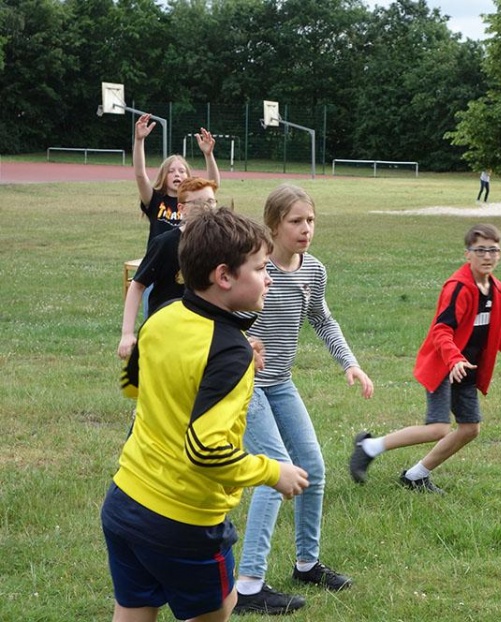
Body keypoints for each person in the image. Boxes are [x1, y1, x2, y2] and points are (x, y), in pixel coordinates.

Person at [101, 207, 310, 622]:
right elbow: (205, 450)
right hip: (183, 523)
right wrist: (274, 472)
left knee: (133, 610)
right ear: (224, 276)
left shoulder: (162, 317)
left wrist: (210, 367)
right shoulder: (230, 351)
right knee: (221, 606)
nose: (269, 277)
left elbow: (131, 385)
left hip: (124, 502)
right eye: (260, 268)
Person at [233, 183, 374, 615]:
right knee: (275, 473)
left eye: (310, 220)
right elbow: (223, 320)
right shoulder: (255, 270)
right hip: (245, 385)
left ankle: (307, 564)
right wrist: (240, 349)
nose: (306, 229)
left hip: (280, 382)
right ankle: (248, 586)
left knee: (311, 467)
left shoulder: (313, 271)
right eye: (296, 221)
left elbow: (323, 320)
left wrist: (350, 363)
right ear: (273, 226)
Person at [349, 224, 501, 494]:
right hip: (444, 365)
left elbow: (495, 331)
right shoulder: (459, 288)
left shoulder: (495, 290)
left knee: (470, 428)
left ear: (500, 254)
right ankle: (369, 447)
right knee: (438, 428)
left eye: (493, 250)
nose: (487, 256)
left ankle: (416, 476)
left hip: (466, 369)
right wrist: (454, 359)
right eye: (480, 250)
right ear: (468, 254)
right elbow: (442, 330)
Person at [117, 177, 219, 359]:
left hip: (202, 332)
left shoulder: (222, 244)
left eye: (210, 202)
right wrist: (127, 333)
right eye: (198, 203)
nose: (206, 208)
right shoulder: (165, 243)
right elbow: (137, 285)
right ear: (181, 209)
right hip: (165, 330)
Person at [133, 112, 221, 317]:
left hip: (191, 265)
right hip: (159, 266)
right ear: (164, 176)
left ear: (189, 177)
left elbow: (213, 185)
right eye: (172, 171)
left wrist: (208, 155)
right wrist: (139, 141)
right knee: (156, 313)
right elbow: (140, 175)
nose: (177, 174)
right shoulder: (155, 199)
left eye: (182, 171)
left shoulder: (195, 202)